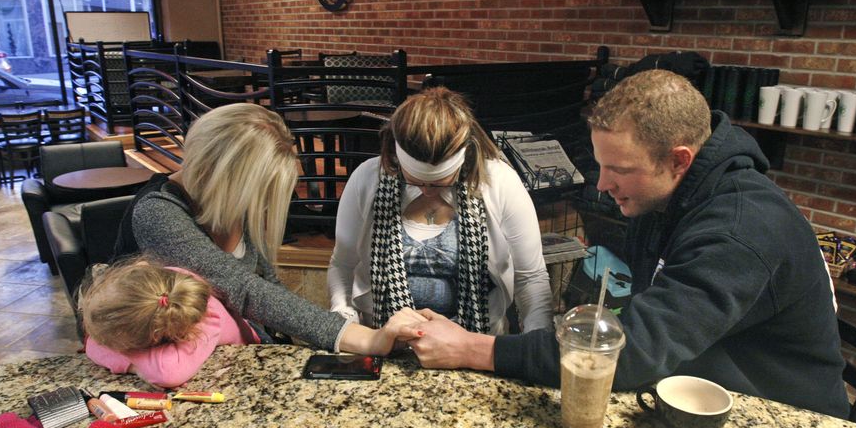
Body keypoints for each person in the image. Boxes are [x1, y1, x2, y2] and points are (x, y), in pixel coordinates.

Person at [406, 70, 851, 419]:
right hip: (698, 388)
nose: (602, 185)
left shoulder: (740, 228)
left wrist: (471, 348)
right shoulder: (660, 198)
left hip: (783, 423)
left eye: (619, 169)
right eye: (600, 165)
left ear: (679, 160)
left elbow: (633, 351)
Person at [113, 103, 422, 356]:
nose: (261, 207)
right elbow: (242, 289)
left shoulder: (228, 202)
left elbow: (268, 286)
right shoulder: (157, 214)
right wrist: (361, 339)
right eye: (259, 193)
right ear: (223, 178)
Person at [327, 87, 553, 336]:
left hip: (476, 341)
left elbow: (531, 278)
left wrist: (537, 339)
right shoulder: (368, 179)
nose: (427, 192)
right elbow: (342, 264)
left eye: (440, 182)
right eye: (414, 181)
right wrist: (345, 317)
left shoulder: (499, 183)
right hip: (384, 337)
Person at [81, 256, 260, 388]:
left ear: (152, 340)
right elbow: (91, 345)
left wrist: (132, 363)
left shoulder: (206, 323)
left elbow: (168, 374)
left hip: (247, 363)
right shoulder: (167, 285)